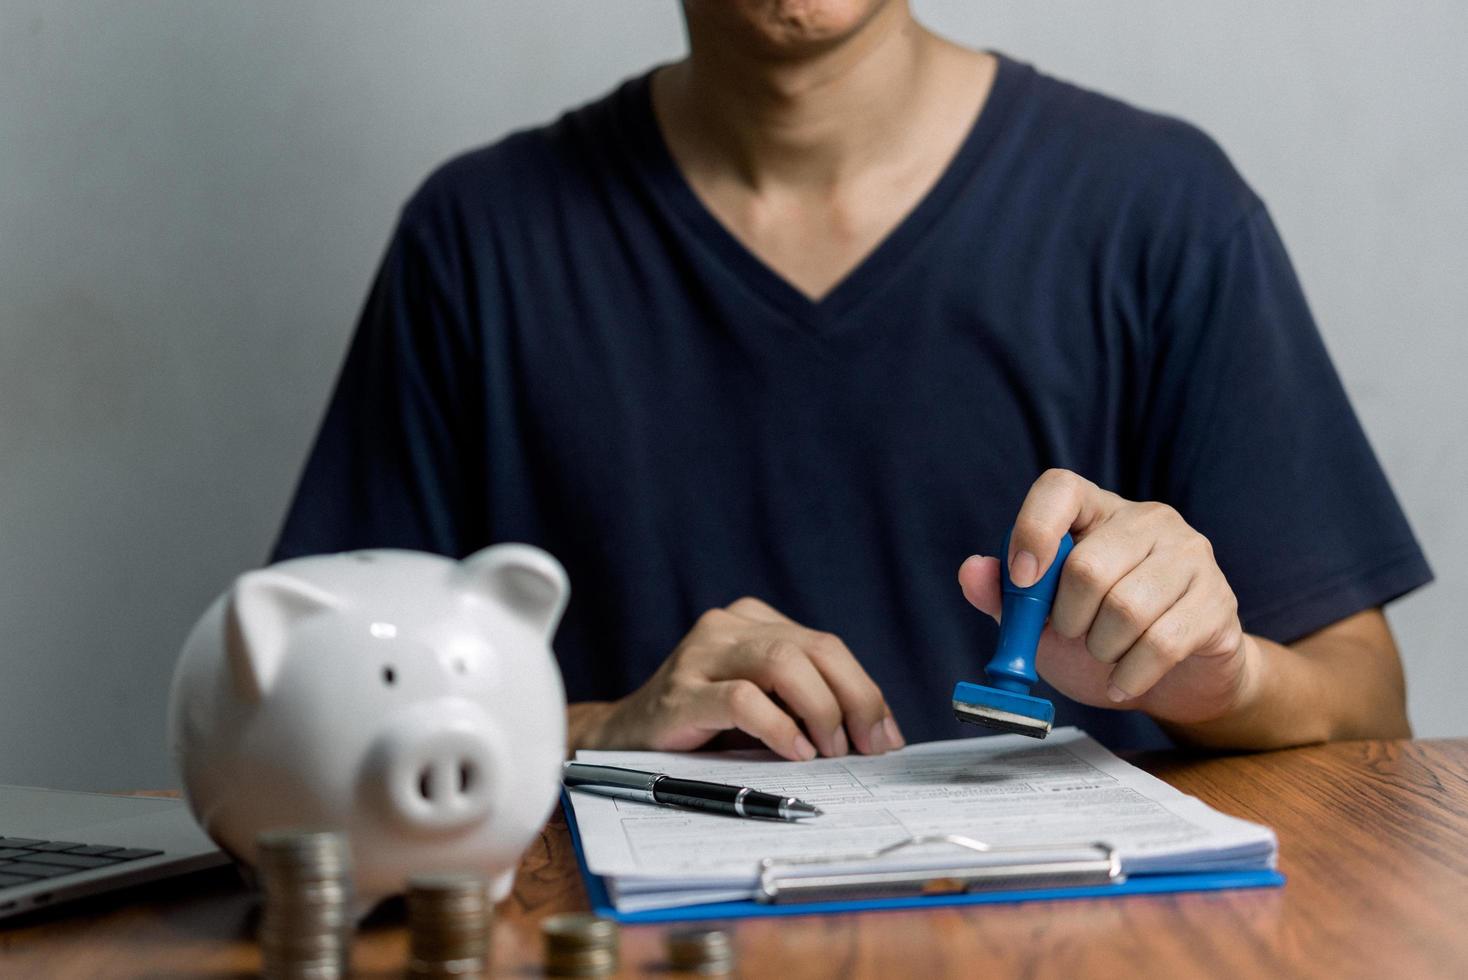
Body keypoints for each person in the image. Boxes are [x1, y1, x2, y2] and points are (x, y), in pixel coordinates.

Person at [272, 1, 1431, 757]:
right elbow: (301, 711)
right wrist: (603, 725)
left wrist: (1214, 677)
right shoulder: (477, 239)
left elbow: (1368, 705)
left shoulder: (1163, 209)